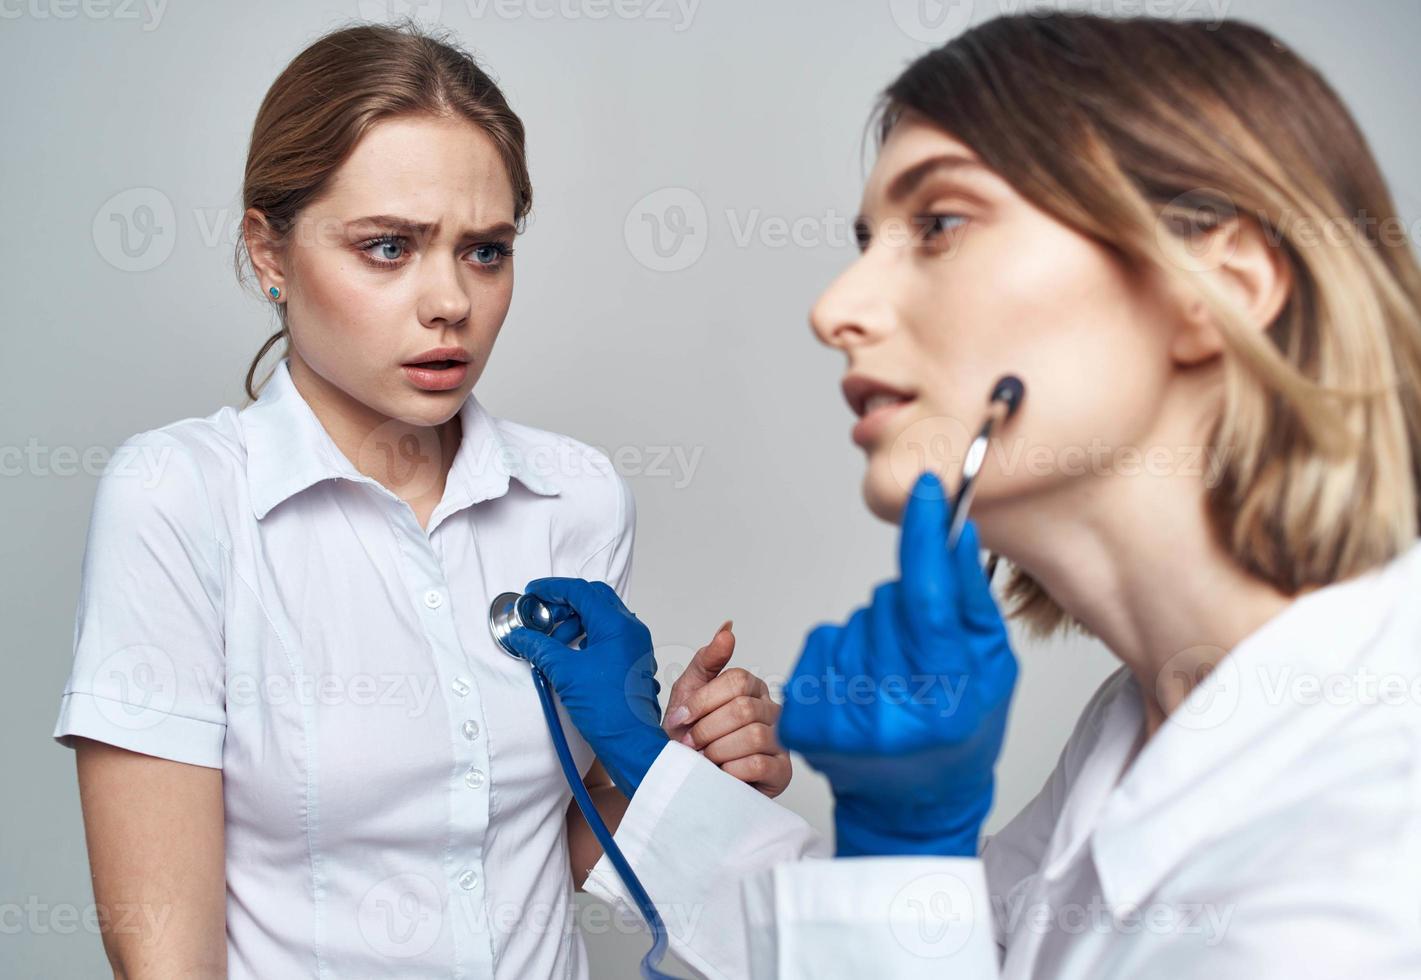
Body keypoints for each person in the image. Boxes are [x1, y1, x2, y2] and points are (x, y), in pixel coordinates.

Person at [508, 13, 1421, 979]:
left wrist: (902, 843)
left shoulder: (1370, 856)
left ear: (1218, 288)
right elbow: (966, 951)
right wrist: (684, 783)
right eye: (868, 241)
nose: (834, 309)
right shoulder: (1139, 724)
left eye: (939, 224)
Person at [50, 22, 789, 979]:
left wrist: (676, 765)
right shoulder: (179, 500)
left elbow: (523, 861)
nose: (449, 301)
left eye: (485, 251)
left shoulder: (576, 497)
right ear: (265, 249)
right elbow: (166, 957)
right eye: (388, 247)